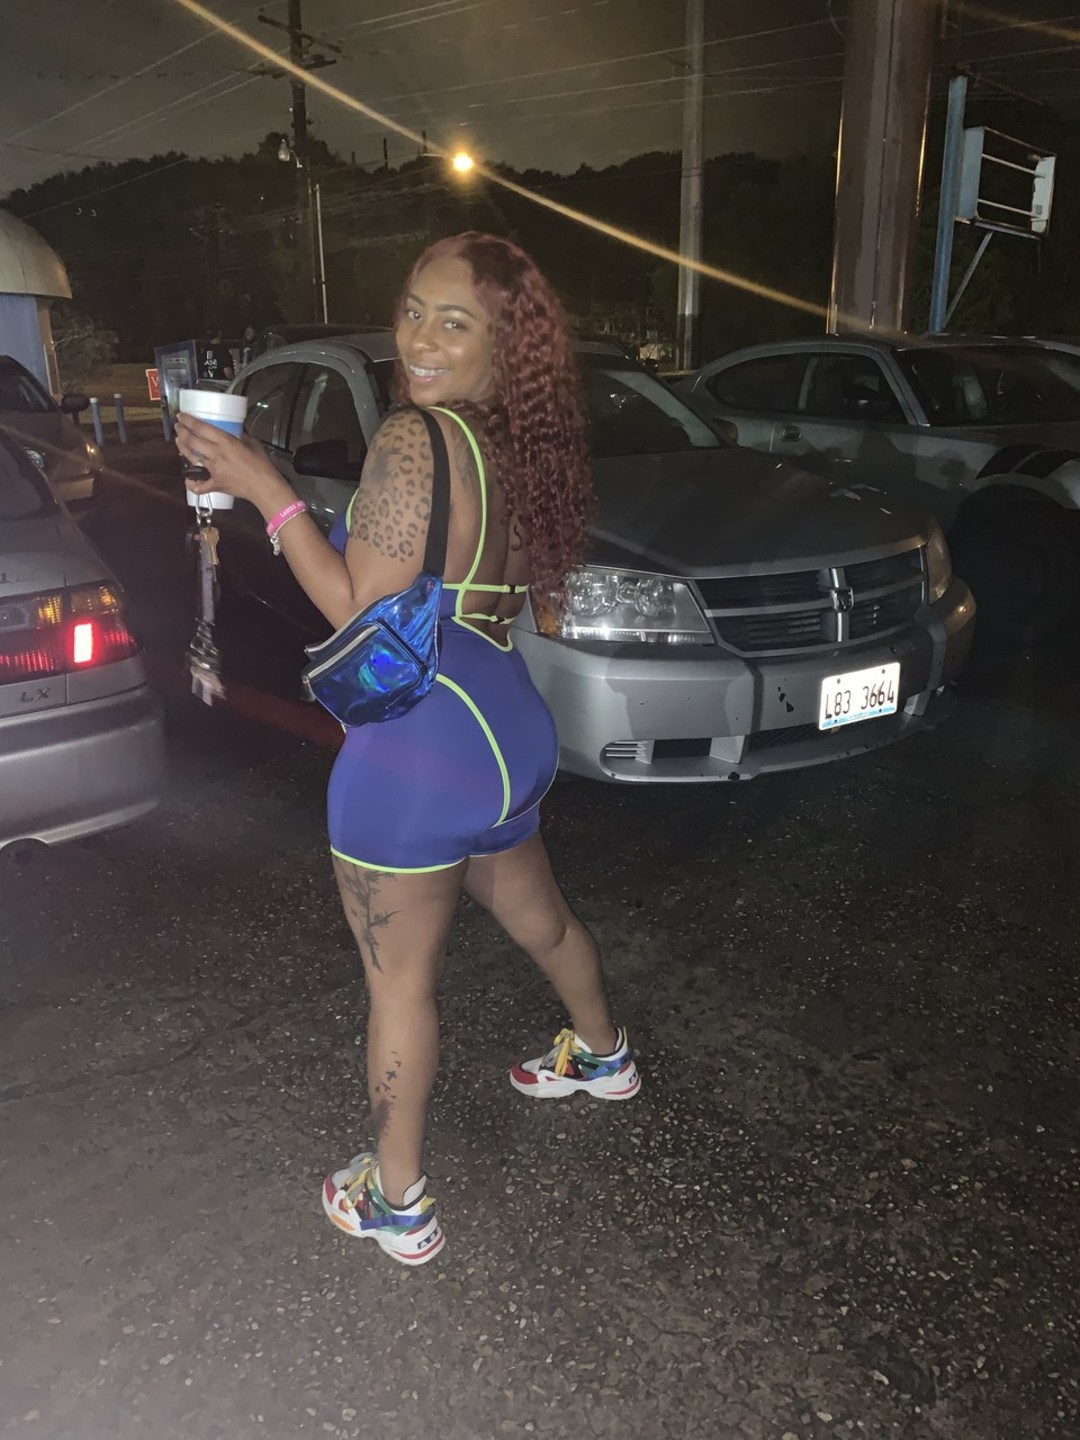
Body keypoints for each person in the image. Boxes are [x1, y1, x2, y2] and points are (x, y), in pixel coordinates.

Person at [175, 233, 640, 1267]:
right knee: (542, 917)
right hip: (506, 729)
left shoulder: (414, 438)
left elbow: (357, 608)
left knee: (399, 987)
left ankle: (395, 1201)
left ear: (502, 344)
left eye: (454, 321)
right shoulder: (516, 444)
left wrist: (264, 485)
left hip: (420, 749)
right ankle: (604, 1055)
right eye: (413, 311)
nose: (420, 339)